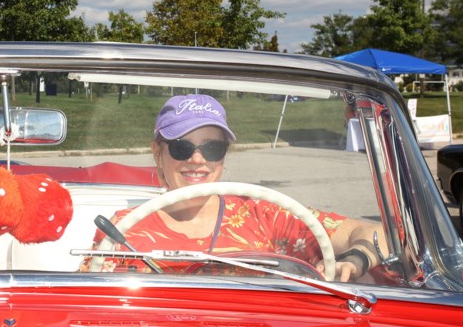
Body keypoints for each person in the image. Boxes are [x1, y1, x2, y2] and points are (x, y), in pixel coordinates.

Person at [87, 94, 386, 282]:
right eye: (181, 147)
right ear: (157, 152)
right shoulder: (123, 230)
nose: (197, 159)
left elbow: (376, 235)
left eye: (213, 148)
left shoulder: (263, 216)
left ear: (225, 154)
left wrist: (356, 259)